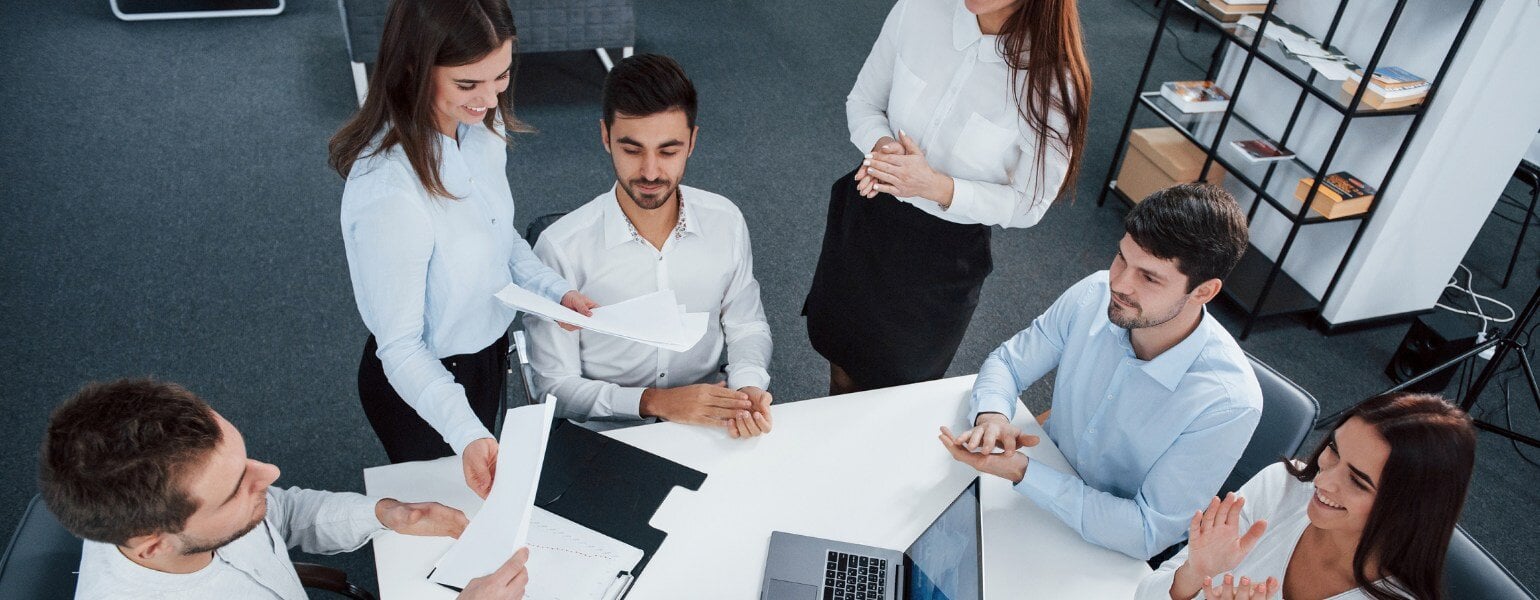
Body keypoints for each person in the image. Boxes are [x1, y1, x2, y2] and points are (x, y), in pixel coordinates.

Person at [328, 0, 597, 497]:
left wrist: (553, 291)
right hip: (423, 381)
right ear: (413, 70)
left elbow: (499, 237)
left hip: (486, 354)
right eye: (468, 84)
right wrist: (468, 430)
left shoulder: (477, 133)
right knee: (444, 519)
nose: (491, 101)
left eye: (501, 77)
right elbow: (401, 348)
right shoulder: (389, 193)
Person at [937, 183, 1262, 560]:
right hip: (1035, 484)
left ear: (1204, 292)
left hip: (1105, 544)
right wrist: (992, 414)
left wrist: (1024, 473)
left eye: (1149, 277)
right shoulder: (1095, 293)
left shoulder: (1228, 403)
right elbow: (1008, 362)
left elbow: (1146, 531)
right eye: (1121, 258)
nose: (1119, 283)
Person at [804, 0, 1093, 394]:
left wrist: (935, 186)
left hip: (941, 258)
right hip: (868, 215)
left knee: (894, 391)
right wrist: (886, 152)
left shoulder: (1054, 81)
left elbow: (1029, 203)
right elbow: (864, 103)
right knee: (840, 358)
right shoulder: (918, 9)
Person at [40, 379, 530, 600]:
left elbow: (285, 514)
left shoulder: (188, 516)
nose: (270, 474)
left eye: (245, 457)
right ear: (154, 544)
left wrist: (386, 513)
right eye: (237, 487)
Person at [523, 54, 774, 437]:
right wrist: (654, 401)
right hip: (605, 434)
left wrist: (747, 387)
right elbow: (554, 387)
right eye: (633, 149)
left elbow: (746, 326)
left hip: (708, 422)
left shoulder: (726, 221)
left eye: (668, 151)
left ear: (692, 141)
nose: (651, 172)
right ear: (606, 137)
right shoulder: (560, 248)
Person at [1137, 392, 1477, 600]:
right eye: (1333, 449)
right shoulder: (1281, 487)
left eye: (1358, 481)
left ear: (1407, 509)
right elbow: (1145, 595)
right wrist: (1194, 574)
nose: (1324, 480)